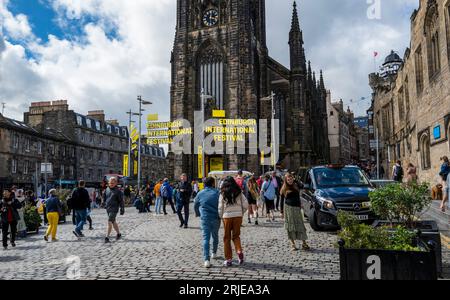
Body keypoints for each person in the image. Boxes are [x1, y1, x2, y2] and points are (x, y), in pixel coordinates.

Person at [219, 177, 248, 267]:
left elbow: (220, 207)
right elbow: (246, 204)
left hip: (227, 217)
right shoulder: (239, 192)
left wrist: (221, 216)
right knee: (236, 236)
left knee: (226, 238)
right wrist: (241, 212)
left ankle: (228, 259)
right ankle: (239, 251)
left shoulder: (222, 193)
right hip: (238, 217)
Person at [194, 177, 220, 268]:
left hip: (205, 218)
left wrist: (198, 214)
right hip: (216, 217)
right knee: (215, 235)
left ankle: (206, 260)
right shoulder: (217, 193)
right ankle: (214, 252)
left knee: (206, 238)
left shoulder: (200, 193)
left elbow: (196, 204)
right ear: (213, 183)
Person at [280, 173, 310, 251]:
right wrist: (281, 211)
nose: (290, 181)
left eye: (291, 179)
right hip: (289, 209)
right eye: (288, 179)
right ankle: (293, 244)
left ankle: (304, 243)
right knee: (291, 227)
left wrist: (295, 179)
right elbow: (281, 200)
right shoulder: (284, 188)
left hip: (297, 208)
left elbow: (302, 186)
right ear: (286, 180)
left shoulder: (296, 185)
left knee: (300, 225)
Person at [104, 177, 125, 243]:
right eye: (110, 183)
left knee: (109, 222)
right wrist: (103, 202)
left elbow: (121, 201)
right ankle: (118, 233)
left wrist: (122, 209)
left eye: (112, 183)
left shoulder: (118, 191)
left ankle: (107, 237)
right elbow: (105, 197)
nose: (111, 184)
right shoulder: (107, 189)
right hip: (108, 208)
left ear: (116, 183)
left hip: (114, 208)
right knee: (113, 222)